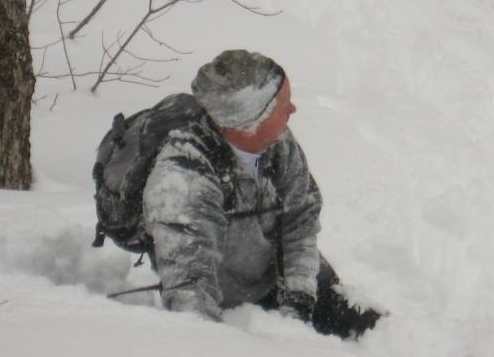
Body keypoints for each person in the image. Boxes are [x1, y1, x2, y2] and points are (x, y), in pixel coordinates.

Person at [142, 49, 382, 339]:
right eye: (283, 105)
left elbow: (300, 217)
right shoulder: (183, 179)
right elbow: (189, 291)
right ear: (248, 124)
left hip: (276, 274)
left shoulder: (277, 143)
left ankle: (405, 355)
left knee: (366, 330)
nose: (292, 110)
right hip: (229, 300)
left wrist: (299, 300)